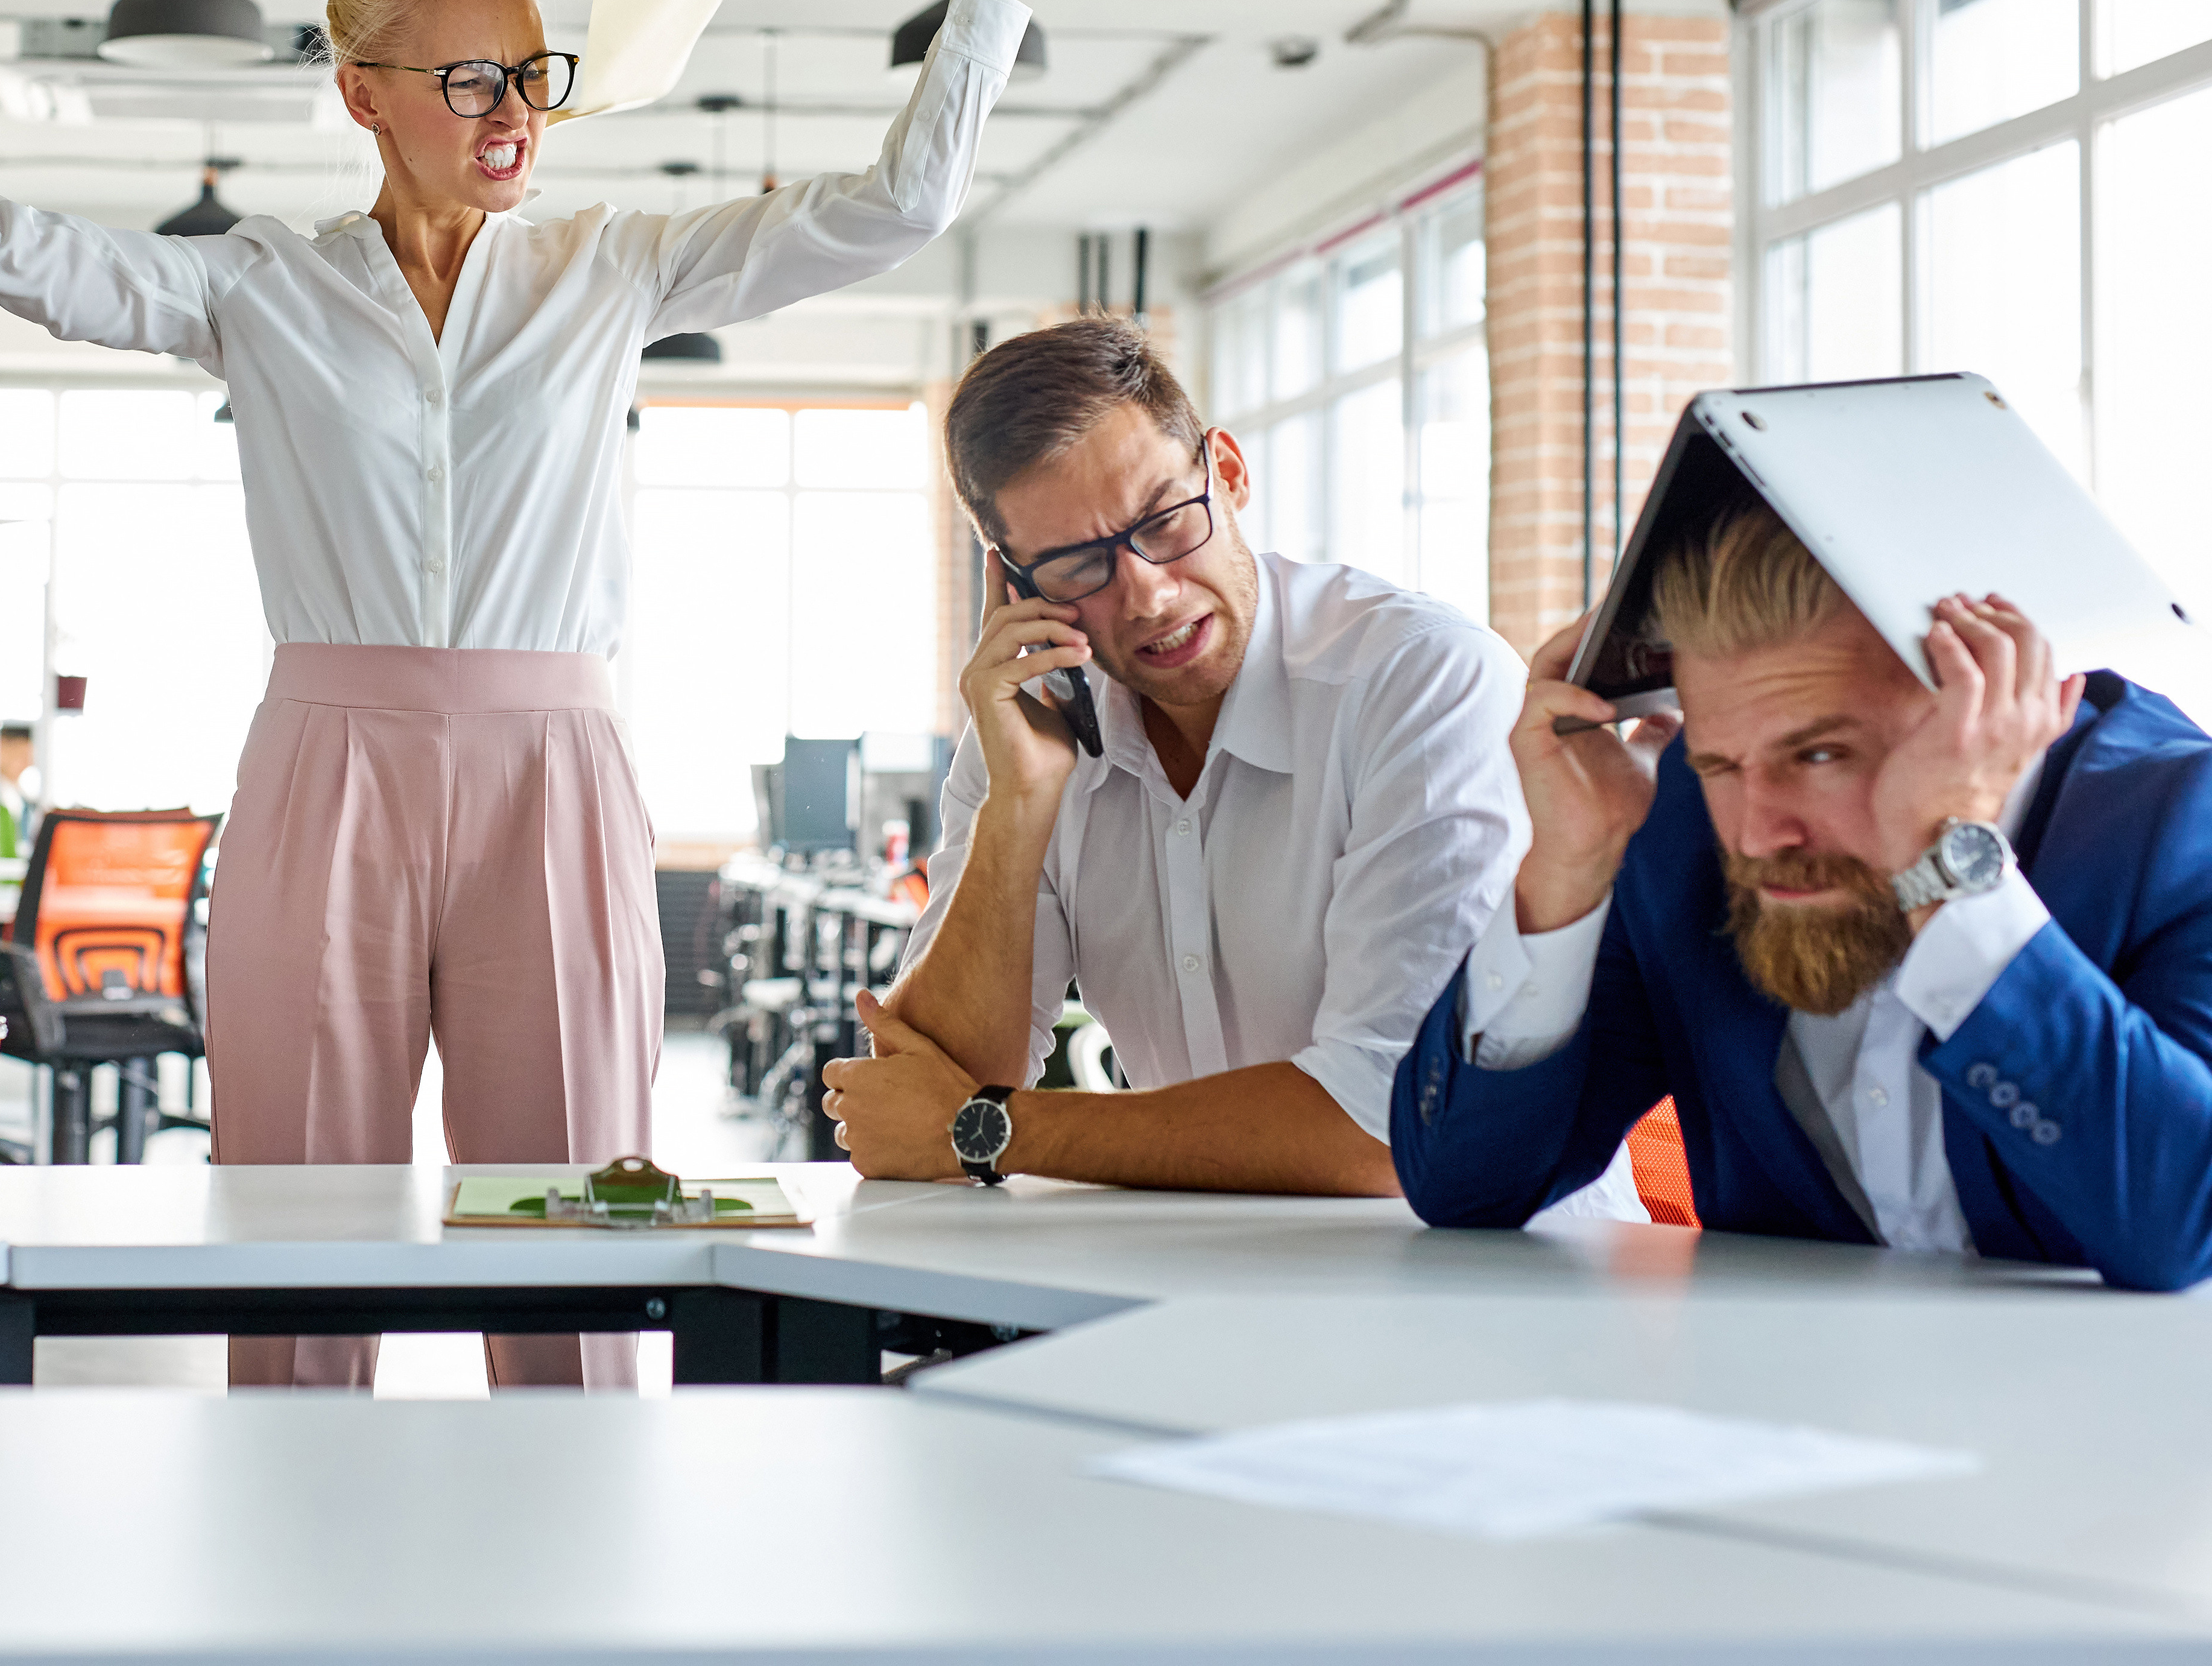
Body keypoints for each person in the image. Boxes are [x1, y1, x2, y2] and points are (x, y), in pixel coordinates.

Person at [0, 0, 1099, 1389]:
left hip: (549, 766)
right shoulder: (257, 286)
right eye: (472, 80)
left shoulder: (609, 266)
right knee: (295, 1225)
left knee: (572, 1226)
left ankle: (575, 1570)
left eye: (534, 76)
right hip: (322, 761)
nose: (515, 117)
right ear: (362, 93)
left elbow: (898, 206)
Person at [823, 317, 1630, 1209]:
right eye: (1074, 566)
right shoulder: (1027, 732)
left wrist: (990, 1129)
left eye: (1163, 522)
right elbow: (923, 1089)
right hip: (1209, 1282)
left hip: (1492, 1294)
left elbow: (1390, 1127)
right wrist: (1014, 810)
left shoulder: (1419, 680)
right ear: (1014, 586)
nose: (1146, 594)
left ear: (1229, 473)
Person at [1391, 505, 2212, 1291]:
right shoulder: (1675, 823)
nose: (1754, 834)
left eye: (1817, 755)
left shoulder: (2183, 824)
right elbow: (1464, 1191)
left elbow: (2181, 1220)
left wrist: (1947, 864)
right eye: (1719, 764)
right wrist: (1565, 869)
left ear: (2009, 702)